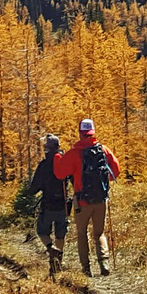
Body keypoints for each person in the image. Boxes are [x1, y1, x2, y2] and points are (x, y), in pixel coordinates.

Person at [53, 117, 122, 276]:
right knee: (99, 233)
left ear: (80, 133)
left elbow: (59, 173)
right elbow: (116, 171)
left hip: (82, 202)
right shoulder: (103, 150)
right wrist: (103, 181)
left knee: (82, 233)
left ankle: (86, 268)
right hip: (101, 200)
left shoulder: (75, 153)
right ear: (93, 133)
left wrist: (57, 158)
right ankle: (104, 263)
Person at [28, 133, 70, 274]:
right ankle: (57, 264)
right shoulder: (64, 162)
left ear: (47, 148)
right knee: (60, 235)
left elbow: (35, 188)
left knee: (42, 231)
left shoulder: (44, 165)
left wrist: (29, 192)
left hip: (47, 205)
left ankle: (51, 248)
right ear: (58, 147)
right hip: (63, 205)